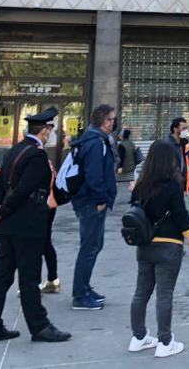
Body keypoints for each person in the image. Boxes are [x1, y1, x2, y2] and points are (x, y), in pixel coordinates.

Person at [0, 108, 70, 343]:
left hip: (8, 225)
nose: (52, 134)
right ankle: (40, 327)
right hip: (28, 223)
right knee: (29, 278)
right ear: (45, 131)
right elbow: (23, 190)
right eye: (51, 129)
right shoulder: (37, 156)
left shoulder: (15, 150)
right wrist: (2, 209)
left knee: (2, 276)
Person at [128, 140, 189, 358]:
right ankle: (165, 341)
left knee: (141, 292)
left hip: (145, 244)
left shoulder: (140, 185)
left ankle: (138, 337)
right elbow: (180, 215)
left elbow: (134, 210)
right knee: (165, 294)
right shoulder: (172, 185)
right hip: (169, 245)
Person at [70, 104, 117, 310]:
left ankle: (84, 287)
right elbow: (94, 175)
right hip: (91, 202)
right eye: (111, 119)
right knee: (89, 248)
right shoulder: (96, 143)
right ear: (103, 121)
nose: (113, 123)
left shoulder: (93, 140)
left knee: (94, 245)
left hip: (89, 200)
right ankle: (80, 295)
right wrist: (100, 200)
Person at [168, 117, 189, 203]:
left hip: (180, 185)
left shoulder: (185, 144)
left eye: (186, 128)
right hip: (169, 186)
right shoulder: (167, 144)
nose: (186, 131)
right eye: (183, 128)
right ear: (175, 129)